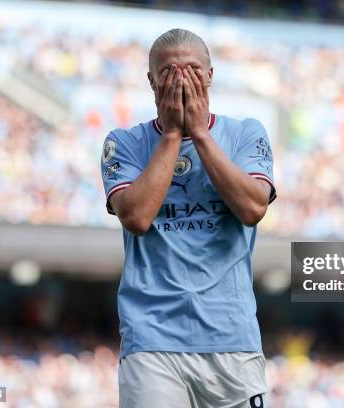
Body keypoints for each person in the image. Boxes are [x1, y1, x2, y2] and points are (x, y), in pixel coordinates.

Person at [100, 28, 276, 408]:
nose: (182, 80)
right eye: (168, 71)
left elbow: (252, 209)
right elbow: (136, 216)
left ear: (210, 75)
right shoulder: (125, 142)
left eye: (193, 69)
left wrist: (198, 133)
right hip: (152, 339)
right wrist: (172, 136)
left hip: (232, 337)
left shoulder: (246, 133)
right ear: (150, 81)